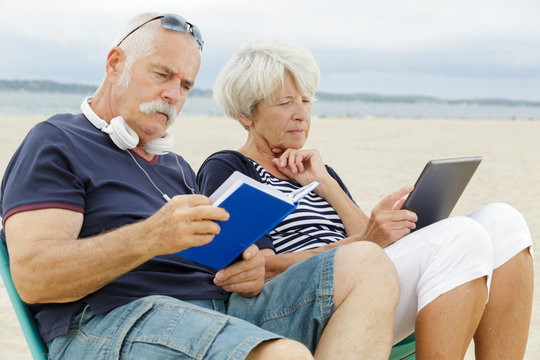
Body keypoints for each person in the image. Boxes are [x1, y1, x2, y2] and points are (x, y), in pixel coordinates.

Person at [0, 12, 403, 360]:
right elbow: (35, 278)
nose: (173, 95)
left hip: (213, 309)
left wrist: (249, 270)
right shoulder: (58, 140)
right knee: (283, 355)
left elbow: (219, 260)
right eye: (163, 75)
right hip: (112, 322)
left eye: (186, 86)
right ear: (115, 63)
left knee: (368, 263)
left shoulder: (175, 167)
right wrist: (151, 236)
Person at [197, 38, 534, 359]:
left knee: (503, 221)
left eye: (306, 100)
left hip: (368, 279)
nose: (301, 113)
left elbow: (374, 242)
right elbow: (260, 266)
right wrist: (361, 243)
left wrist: (327, 185)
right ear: (246, 115)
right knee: (463, 235)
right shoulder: (229, 166)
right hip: (312, 301)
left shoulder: (318, 171)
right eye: (285, 103)